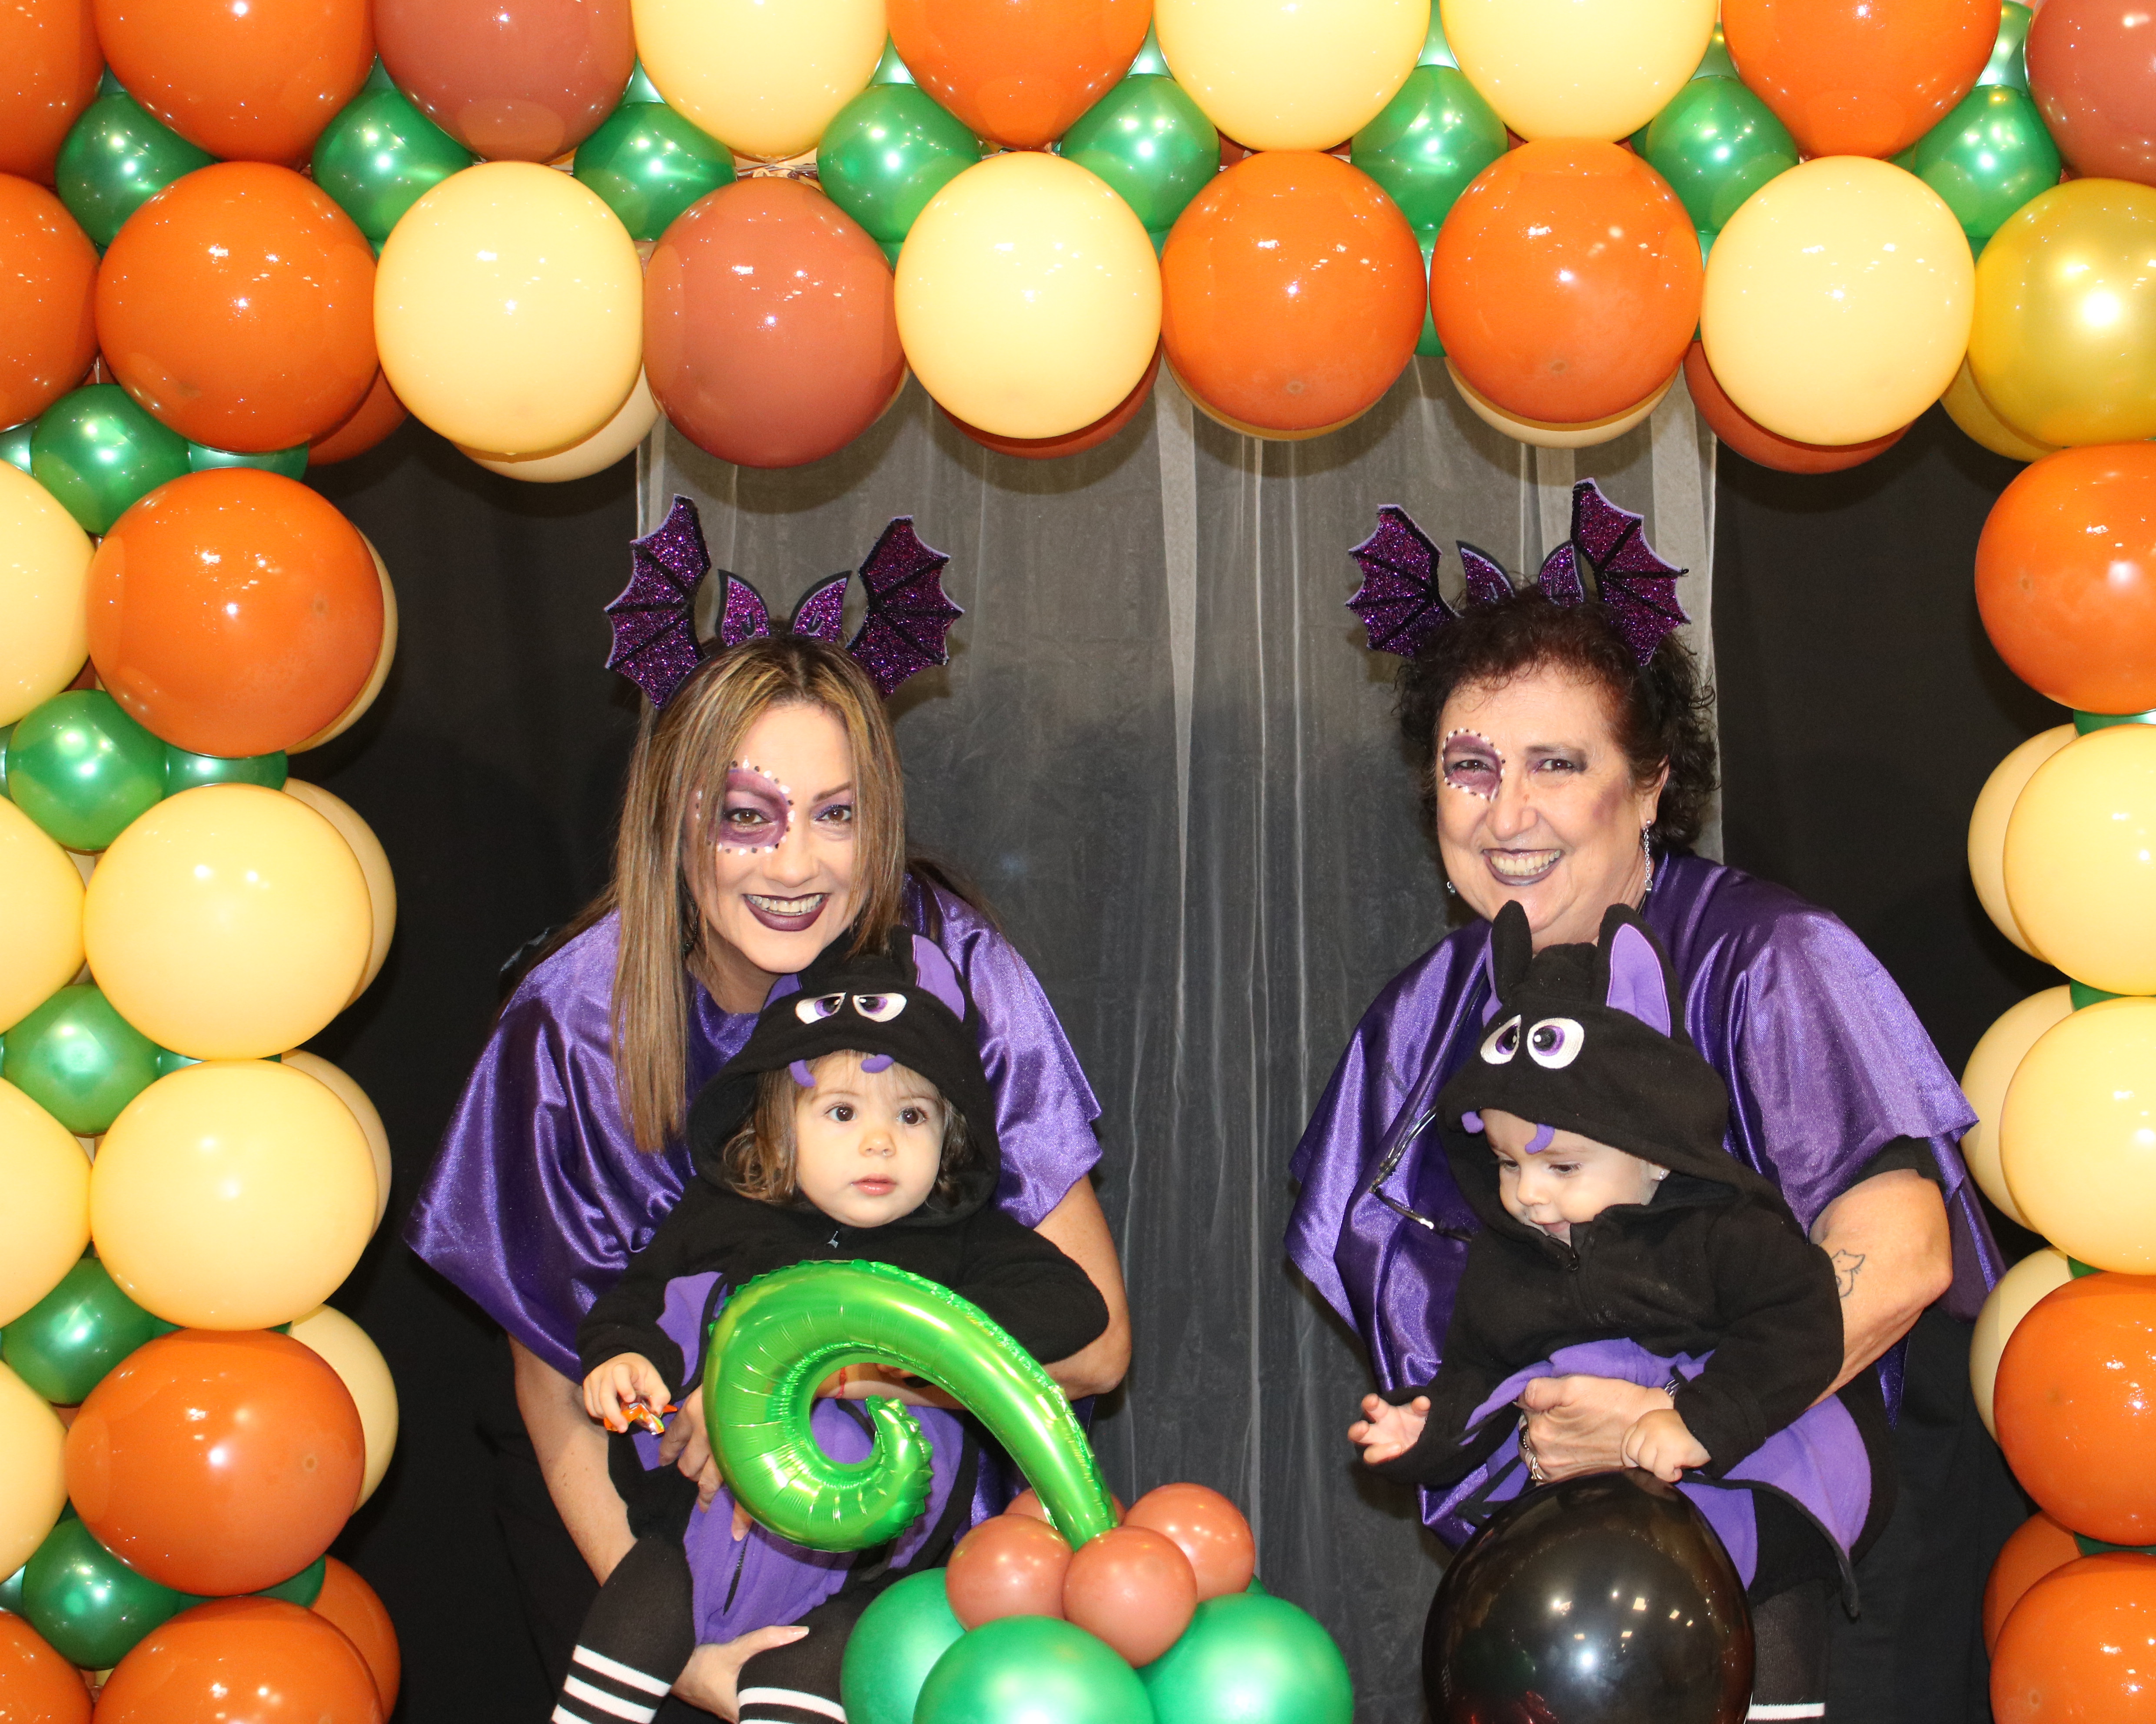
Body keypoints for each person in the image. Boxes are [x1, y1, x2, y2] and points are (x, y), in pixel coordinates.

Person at [1290, 542, 2000, 1677]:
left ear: (1653, 785)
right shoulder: (1426, 1012)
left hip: (1807, 1555)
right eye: (1470, 768)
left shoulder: (1769, 958)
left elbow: (1902, 1256)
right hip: (1573, 1565)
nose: (1507, 812)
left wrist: (1661, 1415)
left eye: (1557, 763)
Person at [411, 623, 1131, 1718]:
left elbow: (1097, 1351)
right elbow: (554, 1394)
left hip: (906, 1527)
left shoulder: (950, 973)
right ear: (675, 818)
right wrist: (676, 1651)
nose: (796, 864)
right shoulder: (571, 1019)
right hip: (634, 1527)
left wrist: (804, 1378)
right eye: (748, 816)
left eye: (837, 814)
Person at [555, 929, 1107, 1724]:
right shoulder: (726, 1217)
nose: (880, 1142)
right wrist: (621, 1358)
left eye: (912, 1116)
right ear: (779, 1129)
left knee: (825, 1668)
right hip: (692, 1532)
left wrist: (867, 1352)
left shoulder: (958, 1238)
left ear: (950, 1138)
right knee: (637, 1614)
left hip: (865, 1567)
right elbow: (630, 1301)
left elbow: (1073, 1307)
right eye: (842, 1112)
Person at [1349, 902, 1886, 1715]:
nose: (1528, 1195)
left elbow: (1801, 1325)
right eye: (1506, 1164)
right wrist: (1425, 1429)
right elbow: (1478, 1371)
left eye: (1562, 1167)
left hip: (1746, 1491)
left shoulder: (1723, 1234)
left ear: (1655, 1156)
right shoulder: (1509, 1261)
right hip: (1598, 1549)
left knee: (1769, 1638)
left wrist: (1698, 1419)